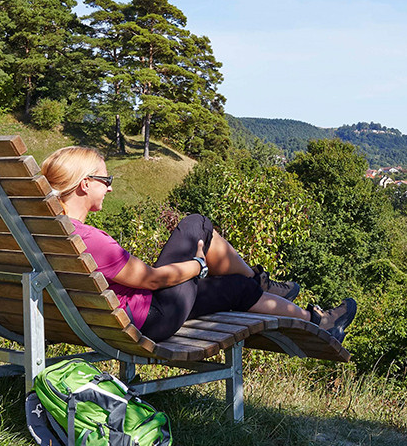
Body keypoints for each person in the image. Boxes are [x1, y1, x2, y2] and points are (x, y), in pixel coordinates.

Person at [41, 146, 356, 343]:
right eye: (106, 182)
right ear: (85, 184)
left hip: (107, 319)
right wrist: (198, 265)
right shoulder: (88, 238)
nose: (109, 190)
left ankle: (313, 319)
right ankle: (267, 286)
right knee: (197, 224)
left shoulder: (44, 232)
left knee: (236, 288)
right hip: (153, 317)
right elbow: (151, 279)